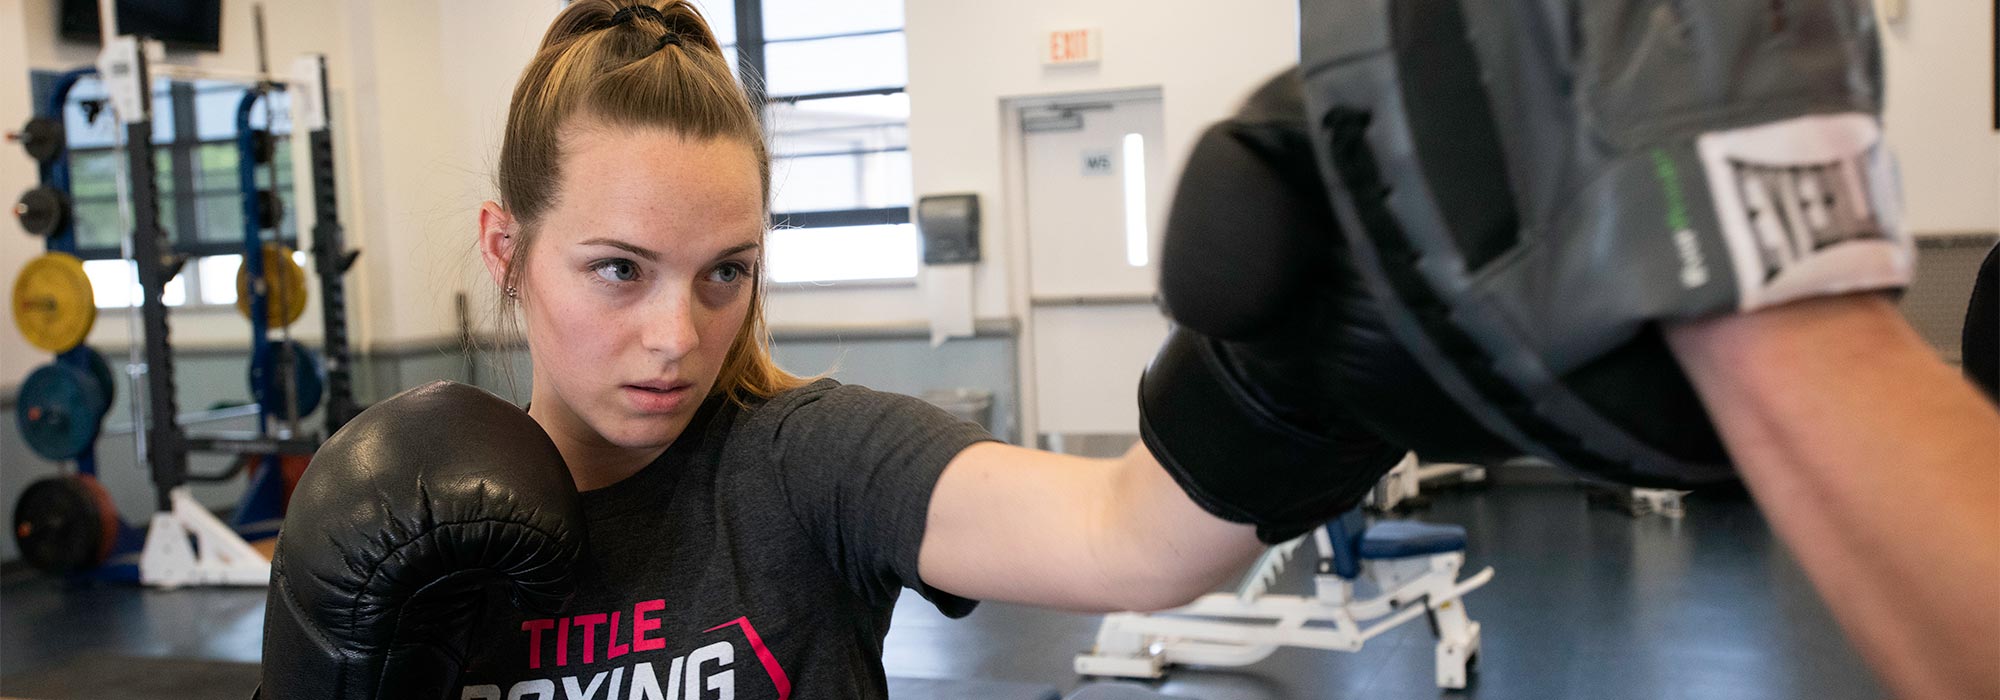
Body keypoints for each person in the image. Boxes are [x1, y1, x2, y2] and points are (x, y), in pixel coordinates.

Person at [257, 2, 1999, 699]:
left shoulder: (804, 460)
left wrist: (1316, 369)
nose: (677, 332)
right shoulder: (389, 512)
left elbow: (1129, 540)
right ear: (505, 247)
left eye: (726, 274)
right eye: (618, 268)